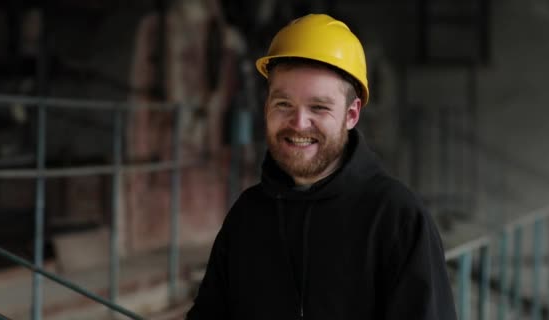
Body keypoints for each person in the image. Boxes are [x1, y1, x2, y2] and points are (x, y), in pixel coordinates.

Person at [186, 14, 457, 319]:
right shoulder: (247, 217)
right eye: (283, 104)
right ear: (266, 107)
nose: (299, 123)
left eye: (319, 107)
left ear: (352, 114)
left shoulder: (398, 220)